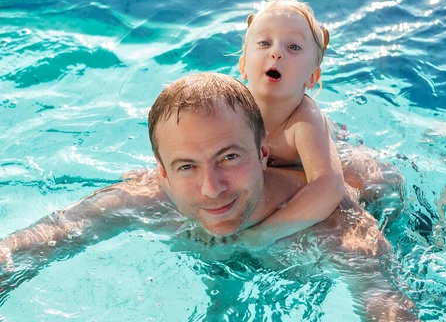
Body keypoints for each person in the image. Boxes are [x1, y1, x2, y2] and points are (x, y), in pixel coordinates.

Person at [0, 73, 419, 321]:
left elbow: (386, 302)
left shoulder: (333, 226)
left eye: (229, 157)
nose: (211, 188)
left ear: (263, 154)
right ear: (162, 174)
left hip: (378, 191)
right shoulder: (146, 197)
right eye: (186, 166)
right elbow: (34, 244)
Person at [235, 0, 345, 246]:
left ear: (311, 78)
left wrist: (265, 233)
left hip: (335, 153)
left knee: (375, 185)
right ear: (243, 66)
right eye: (264, 43)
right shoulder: (232, 108)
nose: (276, 53)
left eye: (293, 47)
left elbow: (328, 186)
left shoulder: (304, 120)